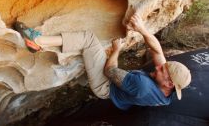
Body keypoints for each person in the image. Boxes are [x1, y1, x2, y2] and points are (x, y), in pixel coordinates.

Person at [13, 13, 191, 110]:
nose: (159, 66)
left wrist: (116, 51)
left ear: (168, 83)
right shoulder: (169, 91)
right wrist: (142, 30)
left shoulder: (143, 86)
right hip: (123, 86)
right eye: (163, 65)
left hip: (106, 87)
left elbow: (110, 70)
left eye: (162, 70)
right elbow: (157, 50)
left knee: (89, 39)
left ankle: (37, 42)